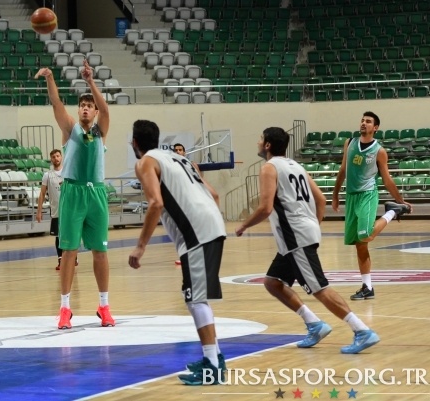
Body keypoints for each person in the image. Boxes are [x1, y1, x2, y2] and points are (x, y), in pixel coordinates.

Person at [236, 127, 381, 355]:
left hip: (295, 236)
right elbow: (320, 199)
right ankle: (314, 324)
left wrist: (244, 225)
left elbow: (265, 207)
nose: (258, 142)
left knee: (319, 288)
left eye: (260, 138)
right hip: (300, 234)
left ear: (267, 145)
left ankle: (361, 330)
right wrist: (313, 225)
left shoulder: (269, 168)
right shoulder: (296, 166)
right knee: (272, 282)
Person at [128, 120, 227, 386]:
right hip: (212, 224)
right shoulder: (179, 158)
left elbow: (155, 203)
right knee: (196, 297)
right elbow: (214, 194)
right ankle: (215, 357)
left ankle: (212, 366)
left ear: (134, 143)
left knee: (195, 299)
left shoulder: (146, 162)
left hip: (197, 231)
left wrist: (140, 246)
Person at [35, 59, 114, 330]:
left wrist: (90, 81)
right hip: (72, 191)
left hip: (96, 193)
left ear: (94, 111)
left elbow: (106, 109)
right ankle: (65, 308)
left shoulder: (101, 131)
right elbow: (56, 104)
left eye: (89, 105)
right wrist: (50, 78)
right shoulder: (70, 129)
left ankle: (104, 306)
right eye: (82, 105)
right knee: (69, 251)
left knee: (100, 251)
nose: (85, 108)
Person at [331, 112, 411, 300]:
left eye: (368, 121)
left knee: (366, 235)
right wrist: (335, 195)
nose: (363, 123)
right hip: (351, 196)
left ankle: (392, 212)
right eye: (362, 120)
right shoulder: (350, 143)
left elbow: (387, 179)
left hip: (367, 195)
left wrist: (400, 200)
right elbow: (343, 170)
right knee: (360, 245)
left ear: (375, 128)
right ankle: (367, 287)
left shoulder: (379, 151)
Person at [35, 149, 66, 270]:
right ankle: (60, 260)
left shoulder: (67, 172)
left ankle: (73, 257)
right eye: (53, 157)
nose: (56, 158)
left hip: (69, 210)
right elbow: (42, 194)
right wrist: (39, 211)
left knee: (70, 235)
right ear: (51, 159)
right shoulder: (47, 175)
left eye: (58, 156)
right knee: (58, 236)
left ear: (61, 157)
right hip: (56, 211)